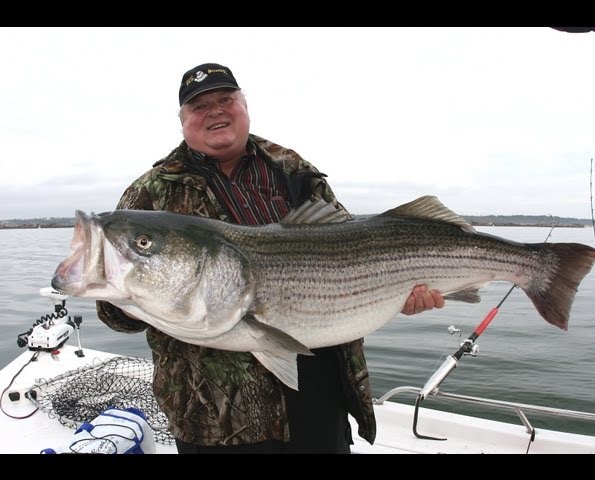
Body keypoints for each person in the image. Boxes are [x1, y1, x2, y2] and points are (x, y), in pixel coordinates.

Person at [96, 63, 445, 454]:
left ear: (244, 105)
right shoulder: (150, 194)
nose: (215, 111)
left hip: (317, 390)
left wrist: (397, 291)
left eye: (225, 99)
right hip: (217, 411)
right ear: (183, 121)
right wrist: (133, 293)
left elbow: (351, 246)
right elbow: (111, 314)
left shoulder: (292, 169)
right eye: (199, 106)